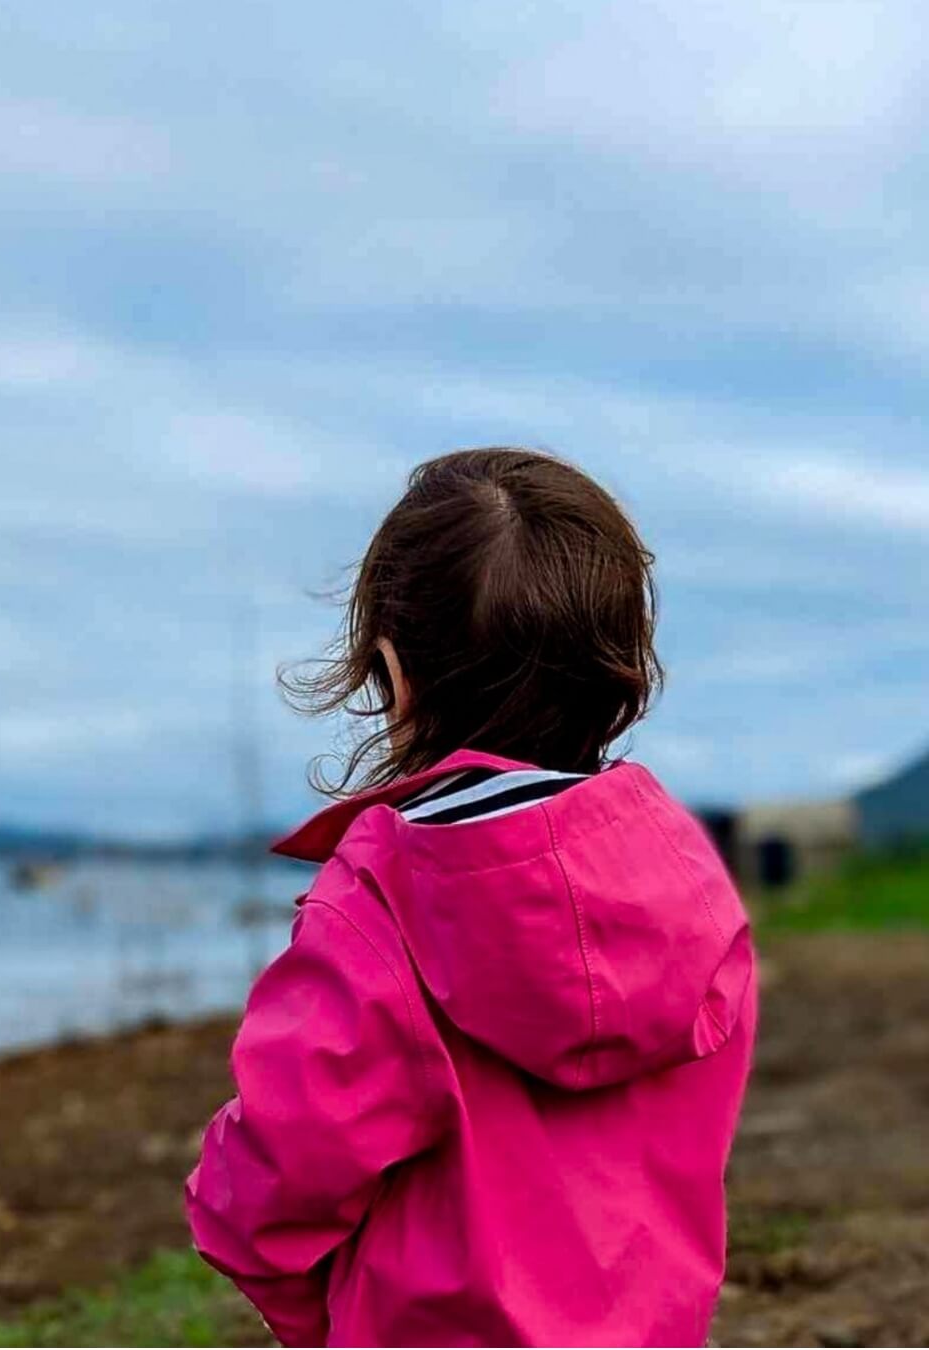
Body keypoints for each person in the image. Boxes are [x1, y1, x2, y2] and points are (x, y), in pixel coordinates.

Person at [186, 448, 757, 1347]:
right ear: (618, 674)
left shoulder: (386, 897)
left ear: (391, 671)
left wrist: (318, 1319)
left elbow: (276, 1178)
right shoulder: (686, 882)